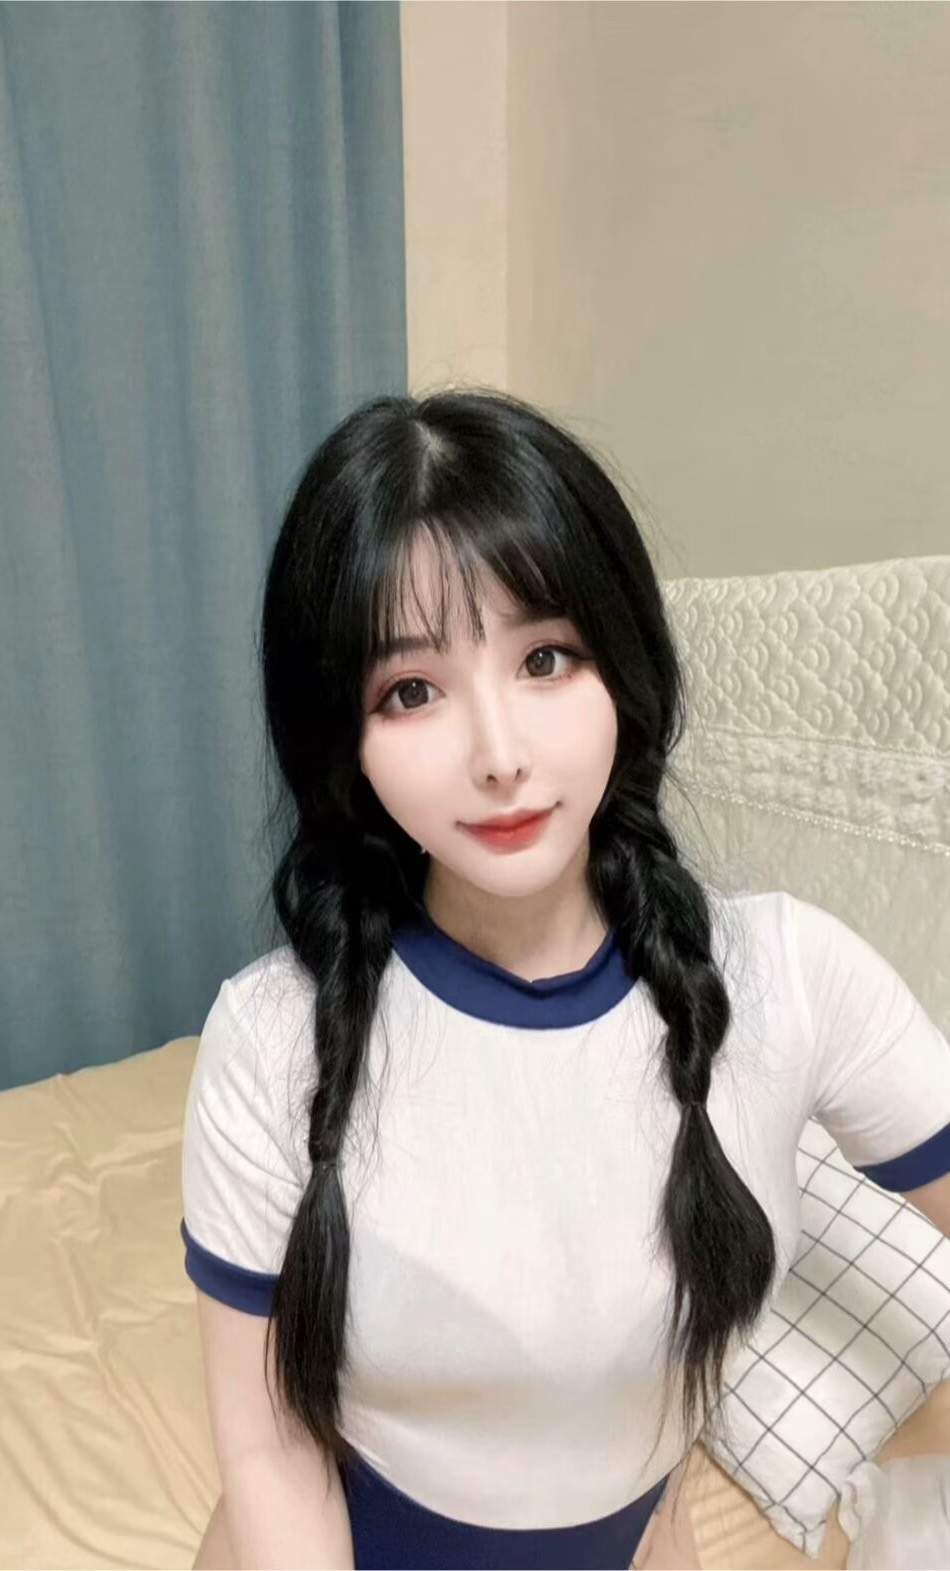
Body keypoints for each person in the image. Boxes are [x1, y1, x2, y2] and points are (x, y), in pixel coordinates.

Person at [181, 387, 950, 1570]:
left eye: (546, 657)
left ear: (622, 667)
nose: (499, 755)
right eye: (411, 690)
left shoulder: (795, 978)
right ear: (344, 740)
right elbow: (272, 1451)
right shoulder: (269, 1034)